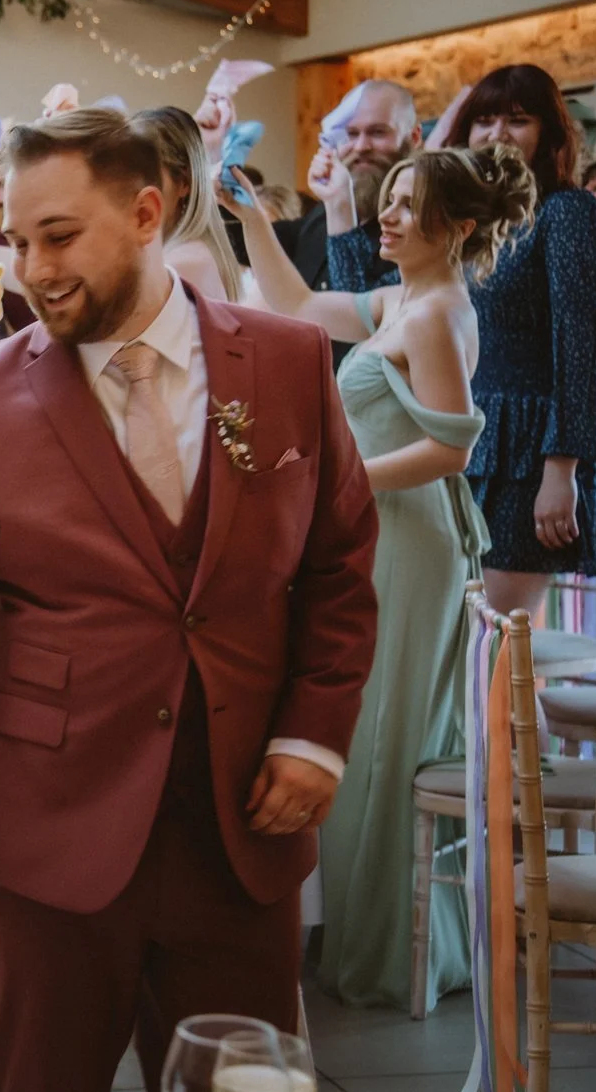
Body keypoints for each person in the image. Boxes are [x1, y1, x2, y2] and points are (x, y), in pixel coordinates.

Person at [0, 109, 379, 1092]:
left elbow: (336, 567)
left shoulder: (285, 364)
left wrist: (311, 736)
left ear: (146, 212)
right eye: (16, 242)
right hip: (47, 830)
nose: (29, 271)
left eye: (57, 237)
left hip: (241, 819)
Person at [229, 144, 537, 1009]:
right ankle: (364, 937)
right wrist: (252, 215)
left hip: (410, 539)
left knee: (385, 738)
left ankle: (390, 955)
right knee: (359, 736)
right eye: (390, 199)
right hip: (376, 530)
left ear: (460, 227)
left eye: (410, 204)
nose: (388, 215)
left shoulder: (437, 312)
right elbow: (293, 304)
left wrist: (340, 479)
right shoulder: (398, 298)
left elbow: (454, 447)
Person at [334, 65, 596, 614]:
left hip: (531, 454)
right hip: (468, 443)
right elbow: (375, 305)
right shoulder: (461, 222)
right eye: (484, 119)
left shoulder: (568, 212)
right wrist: (340, 207)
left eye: (518, 120)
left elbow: (588, 348)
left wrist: (563, 469)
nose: (497, 134)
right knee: (464, 643)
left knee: (500, 649)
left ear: (549, 133)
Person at [279, 80, 421, 294]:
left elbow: (358, 314)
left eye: (378, 132)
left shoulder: (423, 226)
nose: (361, 146)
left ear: (414, 137)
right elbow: (245, 240)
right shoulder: (318, 217)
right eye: (351, 134)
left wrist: (340, 207)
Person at [130, 106, 242, 303]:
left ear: (184, 183)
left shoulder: (181, 265)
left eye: (146, 175)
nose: (132, 190)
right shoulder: (179, 254)